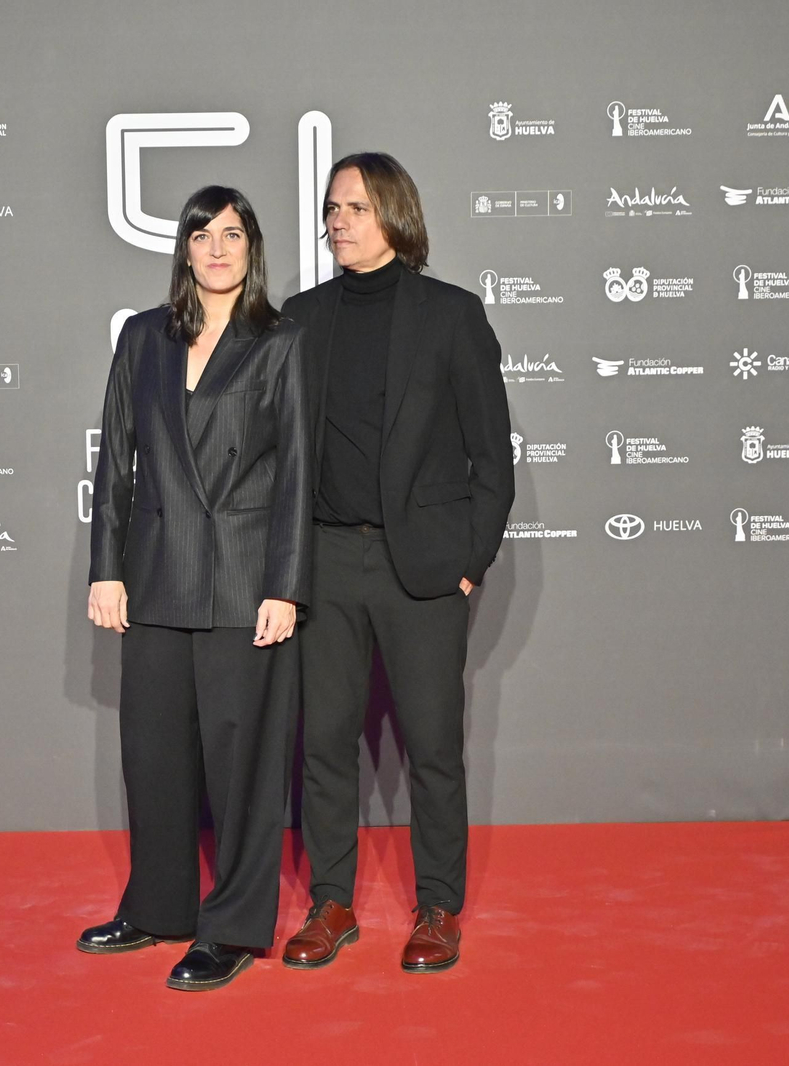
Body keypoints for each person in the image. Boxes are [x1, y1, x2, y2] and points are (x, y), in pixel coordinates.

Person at [279, 152, 513, 974]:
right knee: (324, 744)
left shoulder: (452, 316)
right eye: (331, 207)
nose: (337, 220)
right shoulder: (300, 318)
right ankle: (331, 903)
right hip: (329, 561)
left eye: (354, 207)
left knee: (434, 747)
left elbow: (493, 457)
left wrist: (467, 563)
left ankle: (439, 908)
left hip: (422, 571)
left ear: (395, 217)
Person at [78, 185, 312, 992]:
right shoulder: (143, 338)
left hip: (246, 583)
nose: (218, 248)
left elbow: (297, 479)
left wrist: (285, 585)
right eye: (202, 233)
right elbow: (115, 460)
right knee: (154, 757)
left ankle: (235, 928)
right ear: (182, 247)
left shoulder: (280, 342)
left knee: (242, 766)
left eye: (234, 234)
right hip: (154, 578)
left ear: (253, 249)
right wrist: (105, 567)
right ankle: (157, 909)